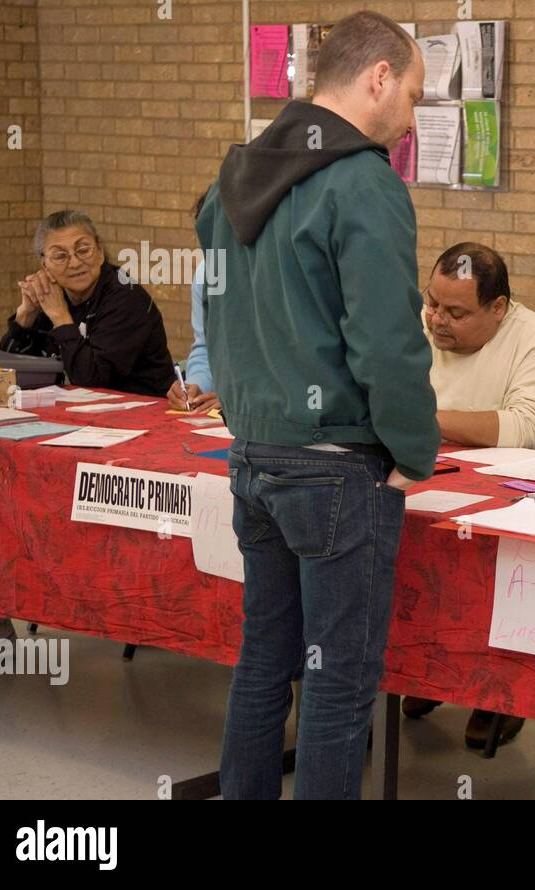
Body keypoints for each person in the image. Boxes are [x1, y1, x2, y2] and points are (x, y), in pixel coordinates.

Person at [195, 11, 437, 799]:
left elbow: (221, 319)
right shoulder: (365, 182)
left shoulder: (229, 180)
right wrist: (413, 451)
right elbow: (387, 345)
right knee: (337, 690)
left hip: (255, 456)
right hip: (339, 469)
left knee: (264, 664)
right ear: (377, 78)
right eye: (412, 94)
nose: (410, 117)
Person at [401, 242, 535, 748]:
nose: (437, 320)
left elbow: (524, 429)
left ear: (499, 308)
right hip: (446, 480)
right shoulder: (418, 325)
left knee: (487, 562)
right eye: (432, 303)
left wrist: (420, 420)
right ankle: (419, 666)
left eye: (456, 312)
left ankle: (496, 689)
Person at [0, 210, 174, 396]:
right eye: (60, 256)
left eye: (83, 250)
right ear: (45, 265)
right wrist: (26, 315)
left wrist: (61, 318)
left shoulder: (126, 299)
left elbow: (92, 381)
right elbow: (4, 376)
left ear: (99, 252)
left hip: (141, 413)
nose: (74, 263)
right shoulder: (52, 294)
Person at [167, 194, 220, 414]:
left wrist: (246, 399)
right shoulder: (206, 275)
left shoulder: (284, 278)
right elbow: (207, 347)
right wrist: (195, 385)